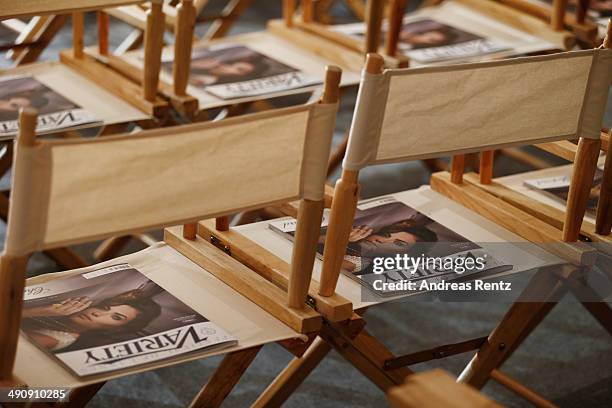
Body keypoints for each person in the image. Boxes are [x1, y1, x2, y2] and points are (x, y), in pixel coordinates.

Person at [22, 294, 162, 352]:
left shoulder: (53, 339)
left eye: (116, 317)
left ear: (118, 329)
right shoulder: (58, 321)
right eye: (105, 307)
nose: (97, 313)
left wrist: (37, 311)